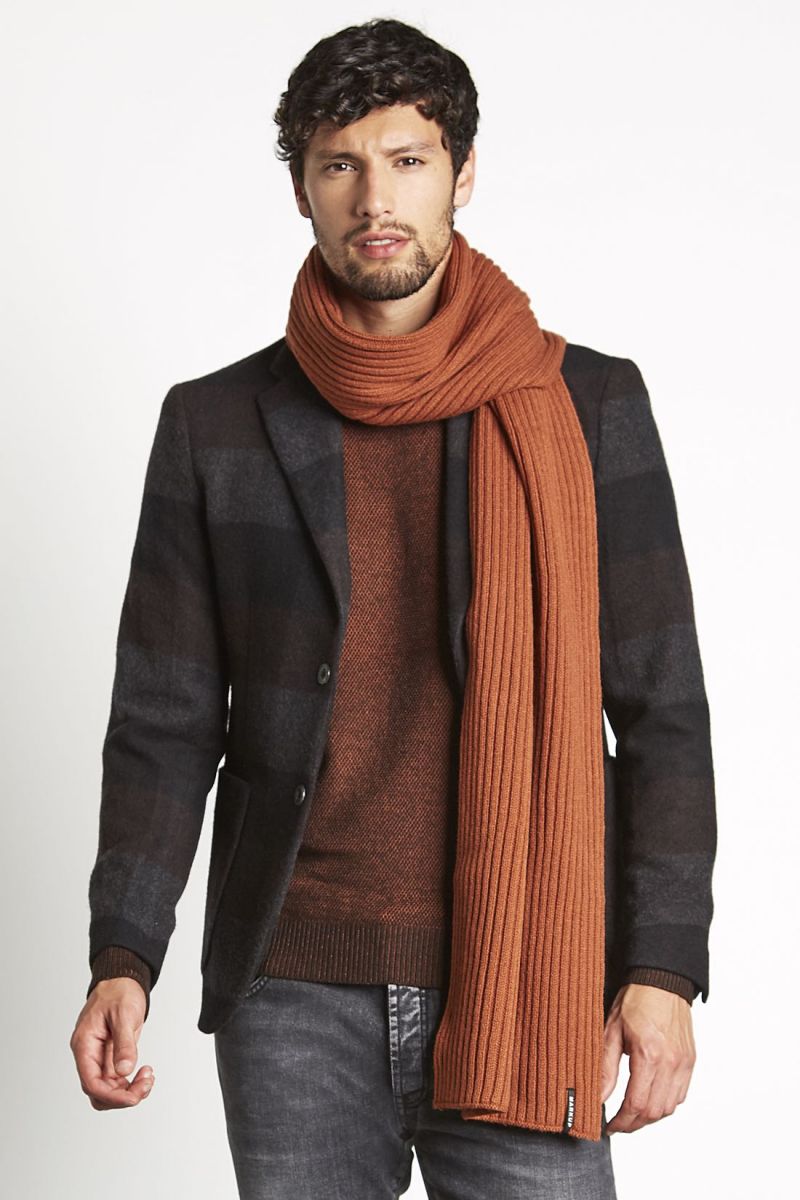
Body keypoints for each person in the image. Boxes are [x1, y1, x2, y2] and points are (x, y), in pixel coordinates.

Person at [70, 17, 716, 1199]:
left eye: (407, 160)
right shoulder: (215, 425)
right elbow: (163, 722)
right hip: (292, 987)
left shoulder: (586, 406)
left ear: (460, 174)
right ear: (301, 191)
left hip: (526, 970)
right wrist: (125, 950)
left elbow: (661, 712)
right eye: (340, 165)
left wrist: (661, 968)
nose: (375, 199)